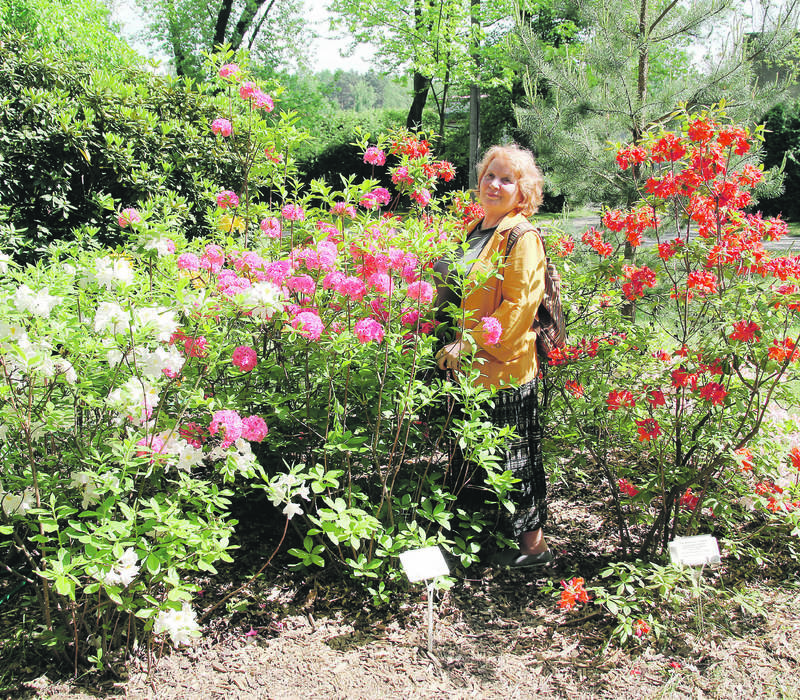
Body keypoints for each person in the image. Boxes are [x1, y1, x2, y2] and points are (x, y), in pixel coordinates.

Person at [432, 144, 551, 568]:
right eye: (489, 175)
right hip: (466, 372)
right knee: (473, 457)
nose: (495, 184)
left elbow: (519, 305)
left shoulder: (522, 236)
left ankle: (534, 550)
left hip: (504, 369)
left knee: (516, 458)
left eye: (506, 179)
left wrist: (470, 342)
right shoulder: (478, 230)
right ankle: (481, 542)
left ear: (524, 190)